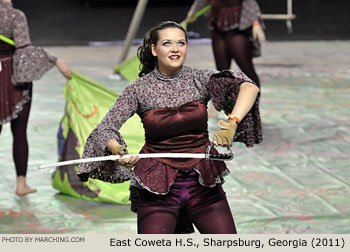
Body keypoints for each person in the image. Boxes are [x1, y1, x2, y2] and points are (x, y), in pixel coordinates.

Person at [77, 21, 262, 234]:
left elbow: (248, 87)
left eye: (181, 43)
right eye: (167, 43)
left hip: (204, 182)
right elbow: (105, 129)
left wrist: (232, 123)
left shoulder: (199, 78)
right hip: (157, 185)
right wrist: (117, 149)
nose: (175, 49)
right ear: (154, 50)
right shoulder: (138, 89)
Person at [0, 0, 72, 196]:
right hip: (13, 78)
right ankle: (21, 185)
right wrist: (54, 59)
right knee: (19, 132)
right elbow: (25, 52)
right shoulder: (15, 16)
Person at [186, 0, 265, 118]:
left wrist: (255, 23)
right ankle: (218, 104)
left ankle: (252, 104)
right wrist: (193, 12)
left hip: (237, 27)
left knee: (247, 69)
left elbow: (249, 2)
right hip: (218, 26)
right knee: (222, 72)